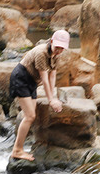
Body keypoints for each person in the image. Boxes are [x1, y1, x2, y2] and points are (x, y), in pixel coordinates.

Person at [9, 30, 70, 162]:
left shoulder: (56, 54)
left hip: (32, 81)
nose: (59, 50)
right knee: (30, 116)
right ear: (52, 41)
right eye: (58, 47)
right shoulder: (41, 53)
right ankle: (17, 150)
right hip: (21, 79)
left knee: (31, 115)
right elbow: (45, 78)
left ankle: (21, 146)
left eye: (62, 48)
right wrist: (51, 100)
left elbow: (53, 75)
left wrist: (53, 97)